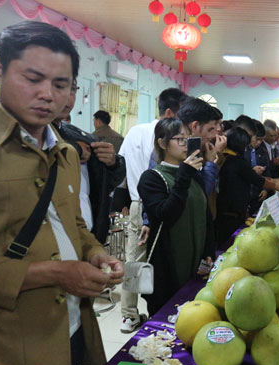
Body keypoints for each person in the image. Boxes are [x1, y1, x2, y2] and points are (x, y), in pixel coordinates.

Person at [0, 21, 123, 365]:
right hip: (0, 352)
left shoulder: (66, 153)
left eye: (61, 84)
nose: (47, 95)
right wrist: (55, 272)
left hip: (69, 334)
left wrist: (95, 253)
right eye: (32, 78)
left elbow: (75, 225)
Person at [117, 87, 185, 333]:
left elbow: (122, 170)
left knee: (135, 260)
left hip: (137, 202)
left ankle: (129, 314)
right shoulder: (166, 136)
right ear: (169, 112)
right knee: (152, 258)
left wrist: (123, 201)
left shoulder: (134, 131)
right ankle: (155, 311)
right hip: (157, 204)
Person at [137, 118, 214, 315]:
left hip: (196, 263)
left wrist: (208, 251)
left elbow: (205, 215)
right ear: (162, 143)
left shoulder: (192, 175)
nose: (185, 144)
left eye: (188, 139)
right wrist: (184, 175)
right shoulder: (152, 178)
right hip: (169, 267)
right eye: (180, 139)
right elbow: (166, 214)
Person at [54, 81, 126, 244]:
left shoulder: (85, 138)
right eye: (58, 85)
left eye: (72, 89)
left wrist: (113, 163)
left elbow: (105, 185)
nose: (66, 96)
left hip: (88, 238)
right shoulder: (25, 140)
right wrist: (73, 151)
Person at [216, 127, 279, 244]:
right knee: (228, 241)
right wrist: (275, 186)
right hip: (232, 211)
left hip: (225, 208)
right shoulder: (237, 161)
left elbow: (249, 175)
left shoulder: (225, 158)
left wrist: (272, 180)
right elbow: (256, 179)